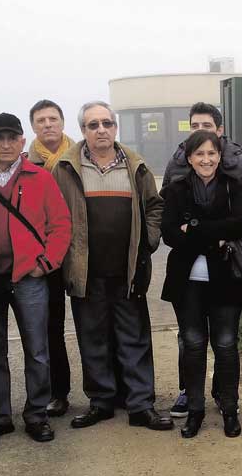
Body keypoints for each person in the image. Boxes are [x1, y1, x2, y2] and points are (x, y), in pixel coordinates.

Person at [53, 102, 173, 431]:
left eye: (107, 123)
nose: (101, 130)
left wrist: (148, 240)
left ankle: (140, 405)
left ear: (115, 128)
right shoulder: (65, 168)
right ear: (84, 131)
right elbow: (53, 214)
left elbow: (155, 206)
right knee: (93, 338)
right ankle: (102, 401)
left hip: (128, 270)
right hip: (84, 270)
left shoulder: (136, 166)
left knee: (134, 338)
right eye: (93, 125)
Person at [0, 113, 72, 445]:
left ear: (21, 141)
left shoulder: (40, 178)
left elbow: (60, 225)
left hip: (29, 277)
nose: (5, 144)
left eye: (11, 137)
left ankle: (36, 414)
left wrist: (45, 264)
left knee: (37, 349)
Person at [162, 102, 242, 418]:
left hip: (225, 275)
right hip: (186, 279)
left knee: (226, 344)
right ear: (189, 157)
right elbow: (170, 234)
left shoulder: (233, 186)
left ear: (220, 154)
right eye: (199, 154)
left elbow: (239, 224)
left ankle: (229, 406)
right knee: (193, 341)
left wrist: (196, 227)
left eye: (211, 153)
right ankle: (195, 406)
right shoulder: (175, 188)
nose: (206, 159)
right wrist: (214, 233)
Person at [26, 99, 77, 417]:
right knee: (50, 328)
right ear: (33, 126)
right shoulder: (25, 163)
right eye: (41, 120)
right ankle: (58, 392)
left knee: (95, 324)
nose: (47, 124)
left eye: (53, 119)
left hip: (81, 249)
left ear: (62, 122)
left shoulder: (78, 156)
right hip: (46, 255)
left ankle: (110, 389)